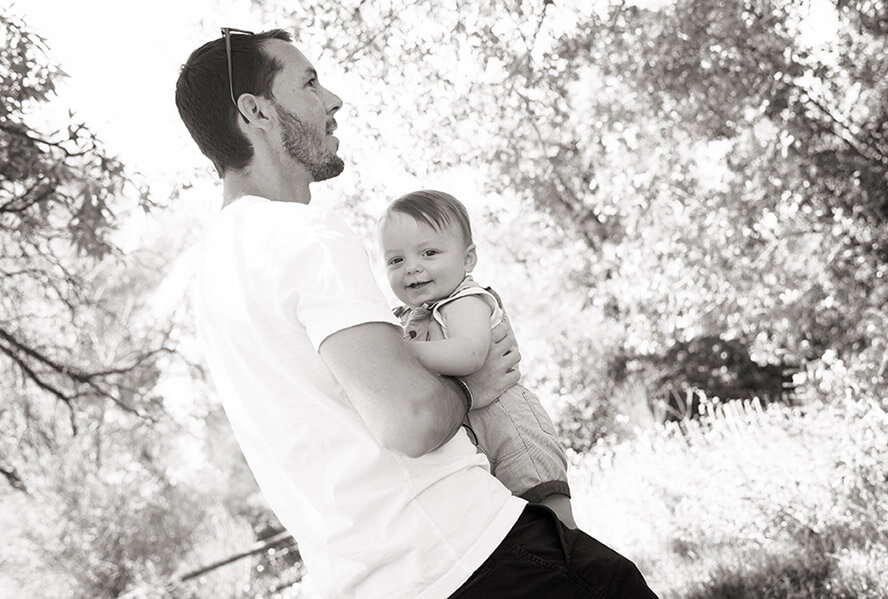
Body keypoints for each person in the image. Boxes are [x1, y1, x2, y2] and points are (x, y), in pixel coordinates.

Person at [175, 27, 659, 599]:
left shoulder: (212, 278)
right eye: (308, 83)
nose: (333, 100)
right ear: (256, 111)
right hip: (469, 552)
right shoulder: (301, 236)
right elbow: (409, 418)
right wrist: (474, 384)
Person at [378, 190, 576, 529]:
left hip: (513, 432)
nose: (412, 268)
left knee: (555, 528)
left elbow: (468, 354)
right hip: (477, 440)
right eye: (396, 260)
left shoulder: (464, 300)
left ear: (468, 259)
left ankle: (585, 573)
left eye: (429, 252)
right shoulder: (417, 316)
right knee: (518, 536)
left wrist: (399, 352)